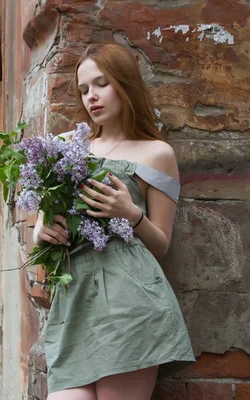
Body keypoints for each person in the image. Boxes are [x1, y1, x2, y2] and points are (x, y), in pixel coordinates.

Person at [32, 42, 195, 400]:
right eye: (84, 89)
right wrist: (40, 232)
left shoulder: (157, 153)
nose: (92, 96)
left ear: (125, 83)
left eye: (101, 83)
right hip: (74, 299)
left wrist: (131, 214)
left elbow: (161, 245)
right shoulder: (65, 147)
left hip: (130, 303)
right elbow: (42, 219)